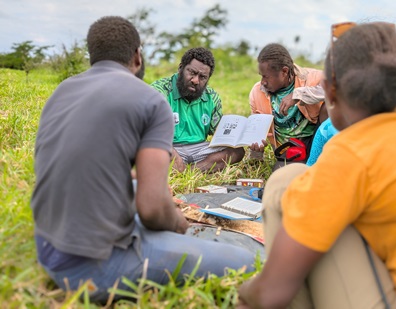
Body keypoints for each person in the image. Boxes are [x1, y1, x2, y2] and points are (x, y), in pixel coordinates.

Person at [30, 16, 257, 305]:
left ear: (92, 55)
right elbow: (151, 210)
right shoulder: (151, 100)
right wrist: (180, 225)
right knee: (243, 260)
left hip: (47, 246)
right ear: (137, 56)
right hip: (89, 267)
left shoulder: (63, 90)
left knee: (140, 191)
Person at [238, 22, 396, 308]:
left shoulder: (350, 152)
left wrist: (246, 292)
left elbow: (270, 294)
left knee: (286, 180)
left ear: (328, 92)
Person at [151, 47, 245, 172]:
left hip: (200, 150)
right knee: (154, 148)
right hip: (169, 146)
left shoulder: (212, 97)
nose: (195, 80)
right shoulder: (160, 91)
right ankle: (188, 169)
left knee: (237, 151)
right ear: (181, 68)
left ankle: (190, 171)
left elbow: (220, 133)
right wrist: (174, 155)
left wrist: (240, 134)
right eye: (192, 73)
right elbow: (151, 132)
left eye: (202, 77)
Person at [248, 43, 325, 163]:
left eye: (266, 77)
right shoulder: (257, 92)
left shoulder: (312, 78)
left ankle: (319, 160)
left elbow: (338, 86)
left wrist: (298, 95)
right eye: (261, 76)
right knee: (283, 179)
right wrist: (256, 154)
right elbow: (256, 131)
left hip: (314, 144)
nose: (263, 82)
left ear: (284, 71)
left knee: (328, 107)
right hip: (287, 150)